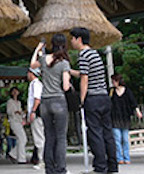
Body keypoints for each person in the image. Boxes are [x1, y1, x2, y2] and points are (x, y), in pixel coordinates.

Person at [70, 27, 118, 174]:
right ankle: (112, 165)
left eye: (72, 38)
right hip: (104, 97)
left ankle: (100, 167)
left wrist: (82, 100)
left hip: (93, 98)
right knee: (107, 132)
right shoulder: (94, 53)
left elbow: (85, 79)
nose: (71, 42)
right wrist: (70, 71)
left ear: (79, 39)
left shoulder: (83, 55)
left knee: (95, 133)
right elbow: (85, 73)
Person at [31, 34, 71, 174]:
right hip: (58, 101)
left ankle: (49, 168)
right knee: (60, 137)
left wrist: (38, 48)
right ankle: (61, 168)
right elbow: (66, 87)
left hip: (45, 103)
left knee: (49, 136)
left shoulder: (43, 59)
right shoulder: (64, 62)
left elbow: (32, 65)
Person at [110, 74, 142, 165]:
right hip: (115, 118)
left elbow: (133, 102)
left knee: (125, 139)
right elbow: (108, 102)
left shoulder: (127, 91)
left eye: (114, 81)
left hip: (125, 118)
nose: (113, 83)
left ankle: (127, 157)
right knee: (117, 139)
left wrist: (138, 111)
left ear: (118, 81)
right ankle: (119, 158)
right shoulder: (112, 91)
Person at [27, 67, 44, 170]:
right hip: (36, 113)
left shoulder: (36, 84)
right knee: (39, 137)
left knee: (39, 137)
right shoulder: (33, 84)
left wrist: (33, 111)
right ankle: (42, 159)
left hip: (37, 114)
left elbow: (37, 99)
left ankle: (42, 160)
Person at [6, 86, 27, 164]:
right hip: (13, 121)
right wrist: (15, 111)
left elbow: (21, 113)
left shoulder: (19, 102)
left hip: (19, 121)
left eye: (16, 91)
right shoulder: (10, 101)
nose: (15, 92)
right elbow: (8, 112)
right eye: (13, 91)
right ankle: (21, 159)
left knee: (22, 139)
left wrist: (22, 114)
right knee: (22, 138)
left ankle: (13, 154)